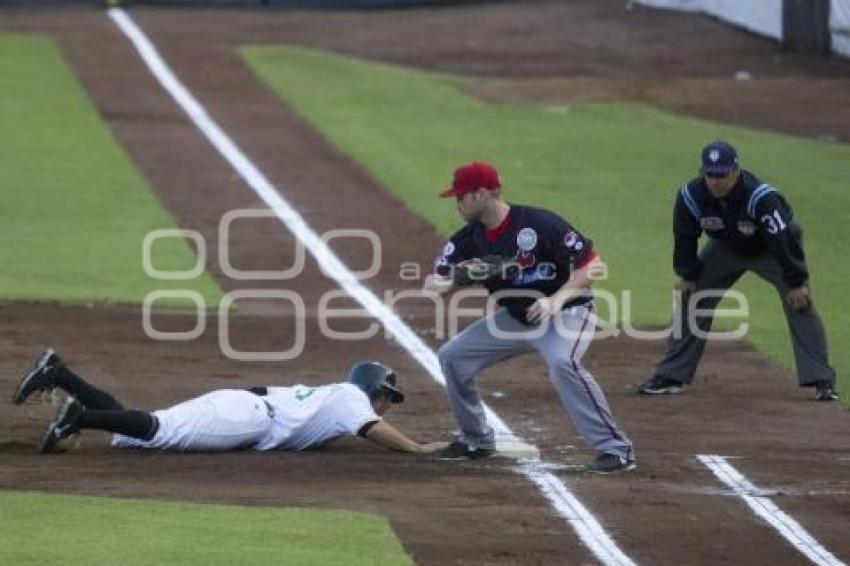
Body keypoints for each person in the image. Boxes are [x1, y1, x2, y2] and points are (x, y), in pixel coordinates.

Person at [423, 161, 634, 473]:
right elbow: (432, 286)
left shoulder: (538, 224)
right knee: (452, 356)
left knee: (564, 363)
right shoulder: (467, 239)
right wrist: (457, 278)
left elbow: (591, 265)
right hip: (518, 319)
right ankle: (476, 440)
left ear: (481, 194)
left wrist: (554, 300)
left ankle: (616, 450)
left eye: (460, 197)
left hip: (567, 311)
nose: (457, 204)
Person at [639, 140, 838, 401]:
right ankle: (671, 375)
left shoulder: (761, 197)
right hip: (726, 246)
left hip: (773, 249)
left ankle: (821, 379)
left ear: (736, 171)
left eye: (721, 174)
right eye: (710, 174)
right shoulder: (691, 195)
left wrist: (797, 281)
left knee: (800, 303)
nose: (715, 181)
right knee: (693, 297)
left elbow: (783, 239)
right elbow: (684, 236)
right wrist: (688, 275)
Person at [12, 349, 445, 455]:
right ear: (375, 390)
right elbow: (373, 429)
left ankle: (59, 374)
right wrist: (417, 448)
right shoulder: (352, 398)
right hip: (249, 417)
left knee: (141, 431)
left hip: (243, 408)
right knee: (160, 432)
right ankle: (78, 416)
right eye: (389, 396)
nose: (388, 405)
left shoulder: (335, 397)